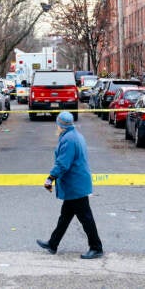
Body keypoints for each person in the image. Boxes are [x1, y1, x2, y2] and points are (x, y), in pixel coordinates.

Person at [36, 111, 103, 259]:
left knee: (86, 218)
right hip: (76, 183)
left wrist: (50, 178)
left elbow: (62, 164)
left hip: (75, 185)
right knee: (65, 217)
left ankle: (96, 247)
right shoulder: (75, 136)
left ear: (61, 125)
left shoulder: (69, 140)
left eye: (57, 123)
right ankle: (53, 243)